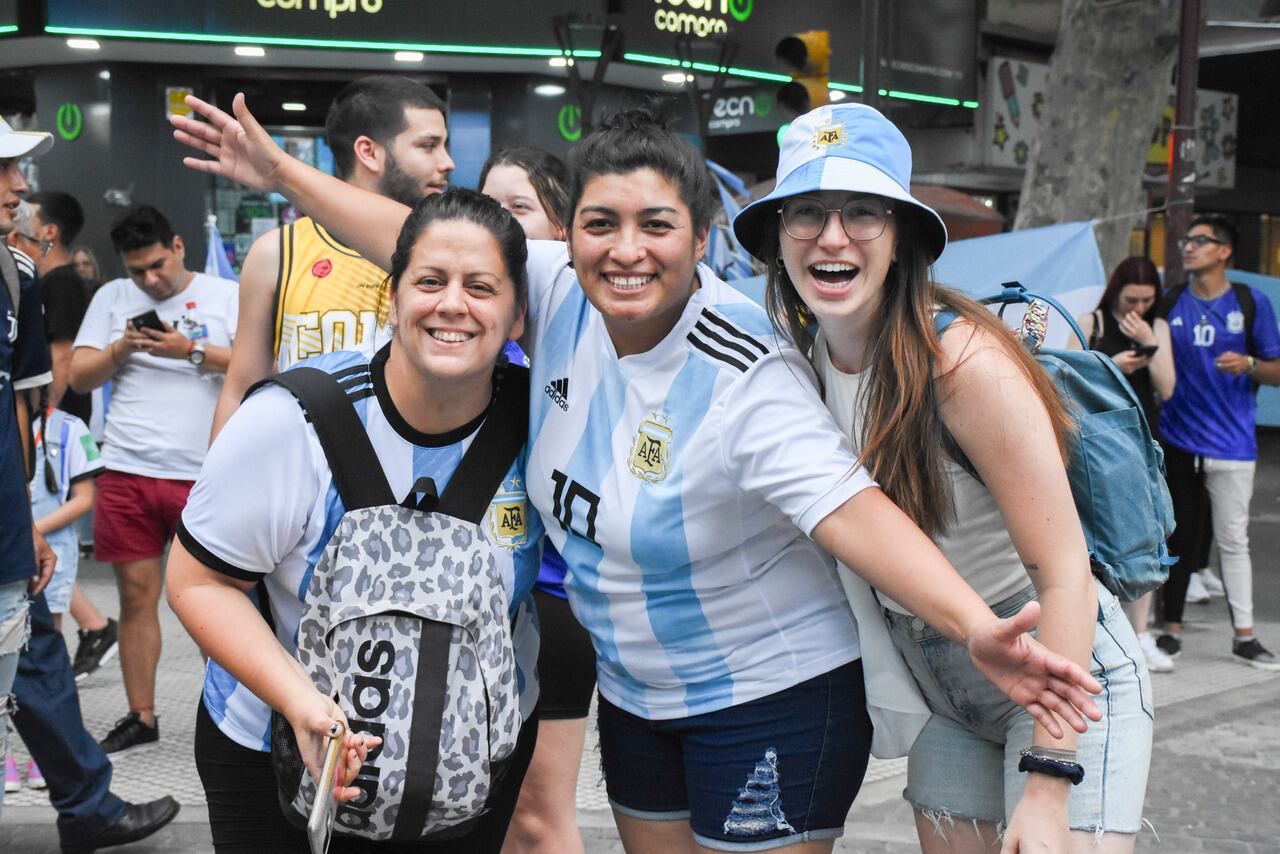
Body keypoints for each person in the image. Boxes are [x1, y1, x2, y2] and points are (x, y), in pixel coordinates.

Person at [172, 94, 1106, 854]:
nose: (626, 250)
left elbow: (849, 510)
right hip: (638, 699)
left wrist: (977, 626)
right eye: (600, 225)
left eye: (657, 225)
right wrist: (283, 174)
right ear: (567, 238)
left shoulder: (744, 372)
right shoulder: (558, 292)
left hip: (769, 694)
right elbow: (420, 239)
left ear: (702, 239)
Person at [732, 103, 1153, 852]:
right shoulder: (797, 364)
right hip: (942, 688)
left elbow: (1064, 574)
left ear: (901, 239)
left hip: (1057, 670)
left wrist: (1051, 778)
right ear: (777, 238)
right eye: (807, 214)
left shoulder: (962, 364)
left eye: (862, 212)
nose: (832, 237)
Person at [167, 188, 541, 853]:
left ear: (517, 317)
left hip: (465, 767)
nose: (452, 303)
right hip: (273, 748)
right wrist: (298, 702)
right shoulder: (291, 422)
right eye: (430, 281)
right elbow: (198, 582)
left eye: (481, 287)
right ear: (392, 299)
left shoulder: (543, 427)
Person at [1, 116, 179, 852]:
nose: (19, 188)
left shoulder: (13, 277)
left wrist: (25, 523)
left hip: (10, 533)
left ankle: (88, 807)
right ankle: (89, 805)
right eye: (5, 171)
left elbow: (19, 405)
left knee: (37, 648)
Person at [69, 204, 238, 754]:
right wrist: (122, 347)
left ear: (179, 244)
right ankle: (141, 716)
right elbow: (78, 373)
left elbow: (256, 366)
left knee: (217, 602)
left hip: (204, 472)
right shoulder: (112, 299)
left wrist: (188, 350)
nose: (150, 279)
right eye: (137, 270)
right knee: (136, 597)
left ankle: (231, 716)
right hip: (128, 467)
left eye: (158, 265)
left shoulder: (224, 294)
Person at [210, 75, 455, 440]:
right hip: (303, 476)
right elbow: (242, 386)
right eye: (428, 146)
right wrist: (215, 487)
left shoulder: (448, 250)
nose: (447, 162)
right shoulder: (277, 252)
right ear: (369, 152)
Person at [479, 147, 589, 854]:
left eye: (517, 208)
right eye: (488, 206)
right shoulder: (477, 330)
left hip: (551, 602)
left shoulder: (571, 338)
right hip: (478, 610)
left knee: (538, 818)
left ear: (561, 232)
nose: (499, 225)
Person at [1156, 214, 1280, 670]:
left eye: (1200, 241)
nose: (1188, 247)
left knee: (1233, 541)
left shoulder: (1249, 303)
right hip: (1177, 440)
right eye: (1187, 240)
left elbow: (1277, 370)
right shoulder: (1170, 302)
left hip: (1233, 446)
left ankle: (1245, 636)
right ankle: (1169, 631)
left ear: (1224, 251)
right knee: (1176, 538)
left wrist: (1248, 363)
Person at [12, 190, 119, 679]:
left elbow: (59, 356)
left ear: (49, 232)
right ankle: (92, 627)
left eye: (30, 215)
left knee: (43, 526)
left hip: (52, 426)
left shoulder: (56, 281)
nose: (18, 207)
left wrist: (42, 418)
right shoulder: (50, 278)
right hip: (50, 422)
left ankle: (57, 653)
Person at [1069, 256, 1177, 673]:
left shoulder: (1157, 326)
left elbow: (1167, 388)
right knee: (1089, 534)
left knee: (1144, 534)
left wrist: (1151, 342)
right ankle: (1093, 625)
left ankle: (1141, 632)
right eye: (1131, 299)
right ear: (1116, 291)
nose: (1138, 308)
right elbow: (1064, 377)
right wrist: (1114, 365)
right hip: (1095, 441)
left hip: (1142, 439)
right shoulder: (1091, 320)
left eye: (1147, 300)